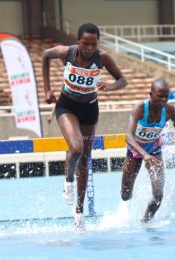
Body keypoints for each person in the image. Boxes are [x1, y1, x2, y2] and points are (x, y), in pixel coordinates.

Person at [42, 23, 127, 232]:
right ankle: (68, 181)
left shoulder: (103, 57)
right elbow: (45, 55)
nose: (89, 48)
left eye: (93, 44)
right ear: (78, 41)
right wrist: (47, 90)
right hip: (66, 106)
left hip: (90, 109)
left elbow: (122, 80)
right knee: (77, 149)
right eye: (85, 43)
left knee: (85, 159)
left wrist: (111, 87)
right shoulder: (66, 52)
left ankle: (79, 213)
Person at [121, 78, 175, 223]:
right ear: (151, 94)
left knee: (158, 196)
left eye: (166, 96)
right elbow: (128, 137)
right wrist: (144, 155)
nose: (163, 99)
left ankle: (145, 222)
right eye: (160, 96)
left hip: (154, 149)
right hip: (136, 150)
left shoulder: (170, 110)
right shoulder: (140, 108)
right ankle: (130, 206)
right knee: (125, 195)